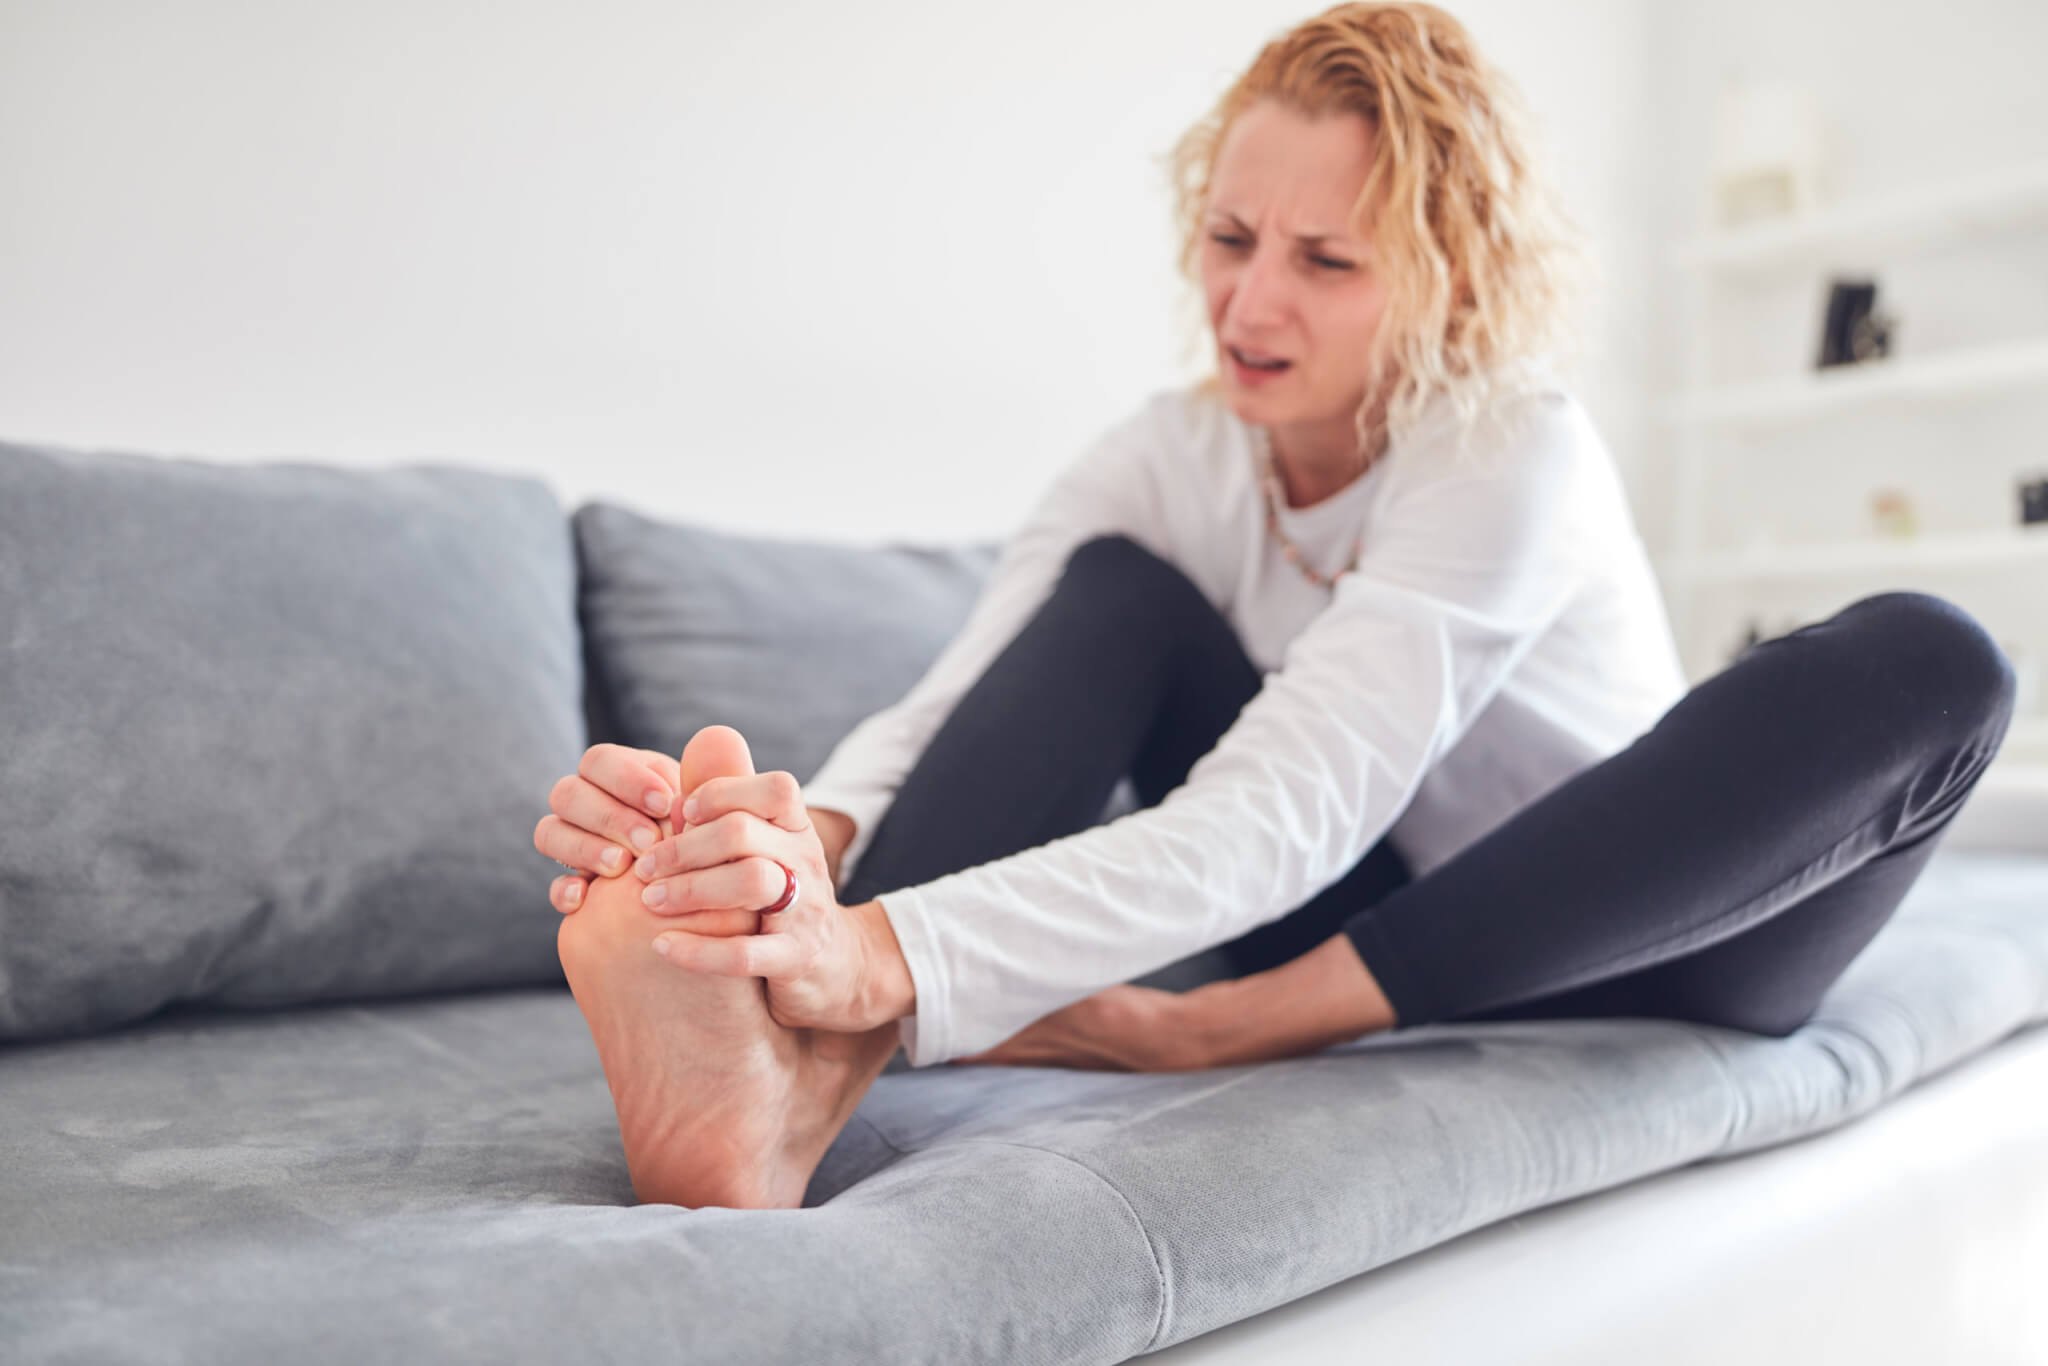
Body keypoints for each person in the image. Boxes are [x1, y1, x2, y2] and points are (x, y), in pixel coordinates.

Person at [535, 1, 2017, 1210]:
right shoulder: (1162, 456)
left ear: (1442, 280)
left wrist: (1129, 1007)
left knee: (1938, 662)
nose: (1251, 306)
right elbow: (953, 701)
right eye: (1232, 239)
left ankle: (1177, 1025)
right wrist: (787, 864)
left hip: (1662, 938)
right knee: (1111, 593)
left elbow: (1293, 799)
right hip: (1356, 906)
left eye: (1325, 261)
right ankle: (790, 1084)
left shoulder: (1508, 441)